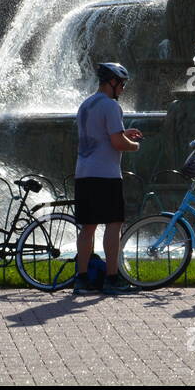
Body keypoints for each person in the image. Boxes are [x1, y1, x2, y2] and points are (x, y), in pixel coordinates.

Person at [71, 62, 143, 295]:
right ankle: (112, 278)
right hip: (106, 174)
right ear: (112, 82)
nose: (122, 89)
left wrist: (123, 133)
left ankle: (82, 278)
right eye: (121, 84)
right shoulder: (111, 106)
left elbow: (101, 133)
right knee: (114, 224)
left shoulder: (86, 104)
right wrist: (134, 145)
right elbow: (117, 143)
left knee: (88, 227)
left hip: (83, 173)